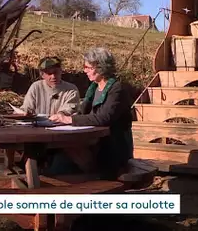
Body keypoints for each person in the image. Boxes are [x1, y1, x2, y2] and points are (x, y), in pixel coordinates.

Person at [49, 47, 134, 180]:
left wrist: (68, 120)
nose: (85, 70)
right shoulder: (94, 88)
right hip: (95, 143)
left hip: (112, 148)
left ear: (100, 67)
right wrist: (65, 118)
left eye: (88, 67)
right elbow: (83, 114)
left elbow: (103, 118)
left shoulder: (117, 89)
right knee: (57, 155)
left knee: (64, 159)